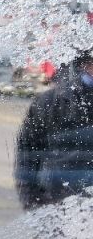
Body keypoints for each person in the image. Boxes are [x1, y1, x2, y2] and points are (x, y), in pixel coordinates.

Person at [15, 51, 93, 209]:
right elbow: (28, 153)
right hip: (63, 207)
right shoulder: (51, 102)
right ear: (87, 64)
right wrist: (33, 203)